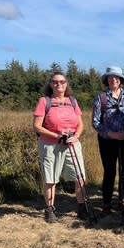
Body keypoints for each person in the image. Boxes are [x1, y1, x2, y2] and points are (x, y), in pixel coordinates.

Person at [33, 72, 87, 223]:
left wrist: (76, 136)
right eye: (55, 82)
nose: (59, 84)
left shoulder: (72, 101)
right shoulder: (44, 101)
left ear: (66, 83)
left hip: (72, 143)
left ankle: (82, 208)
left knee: (80, 176)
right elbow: (37, 126)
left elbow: (80, 123)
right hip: (50, 144)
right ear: (50, 84)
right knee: (50, 178)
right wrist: (56, 135)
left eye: (62, 81)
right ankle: (50, 210)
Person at [92, 66, 124, 215]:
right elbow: (95, 122)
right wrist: (111, 134)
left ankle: (123, 199)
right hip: (107, 141)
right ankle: (106, 202)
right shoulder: (101, 98)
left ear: (121, 81)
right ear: (107, 80)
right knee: (110, 171)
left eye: (116, 77)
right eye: (110, 77)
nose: (113, 79)